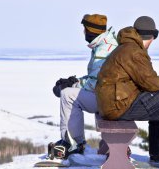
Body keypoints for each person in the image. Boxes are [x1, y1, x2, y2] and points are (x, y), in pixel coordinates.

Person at [95, 16, 159, 169]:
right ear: (151, 37)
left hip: (114, 102)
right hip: (119, 104)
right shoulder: (134, 51)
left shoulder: (126, 47)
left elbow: (145, 82)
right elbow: (149, 80)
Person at [50, 14, 118, 161]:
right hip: (111, 95)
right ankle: (79, 142)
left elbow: (95, 84)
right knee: (71, 92)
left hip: (108, 98)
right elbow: (96, 77)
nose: (83, 33)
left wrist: (70, 85)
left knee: (68, 95)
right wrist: (75, 81)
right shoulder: (105, 44)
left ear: (91, 31)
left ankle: (72, 143)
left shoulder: (104, 50)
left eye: (85, 29)